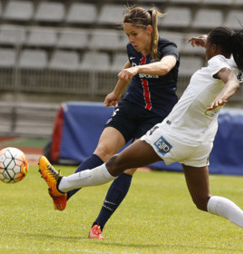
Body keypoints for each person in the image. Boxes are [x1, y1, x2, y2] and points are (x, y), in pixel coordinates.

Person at [39, 23, 243, 253]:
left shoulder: (218, 61)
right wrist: (208, 39)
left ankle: (61, 185)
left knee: (116, 163)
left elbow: (229, 81)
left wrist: (224, 94)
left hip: (175, 134)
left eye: (209, 46)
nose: (206, 51)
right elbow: (228, 64)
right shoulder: (236, 60)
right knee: (203, 200)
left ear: (216, 50)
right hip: (201, 141)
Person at [41, 6, 181, 239]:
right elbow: (129, 64)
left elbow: (165, 66)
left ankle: (98, 226)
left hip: (158, 115)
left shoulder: (168, 48)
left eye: (134, 34)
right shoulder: (132, 50)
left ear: (148, 30)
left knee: (128, 166)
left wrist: (138, 68)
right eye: (127, 35)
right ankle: (64, 193)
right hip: (130, 107)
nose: (130, 40)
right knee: (103, 150)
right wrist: (116, 92)